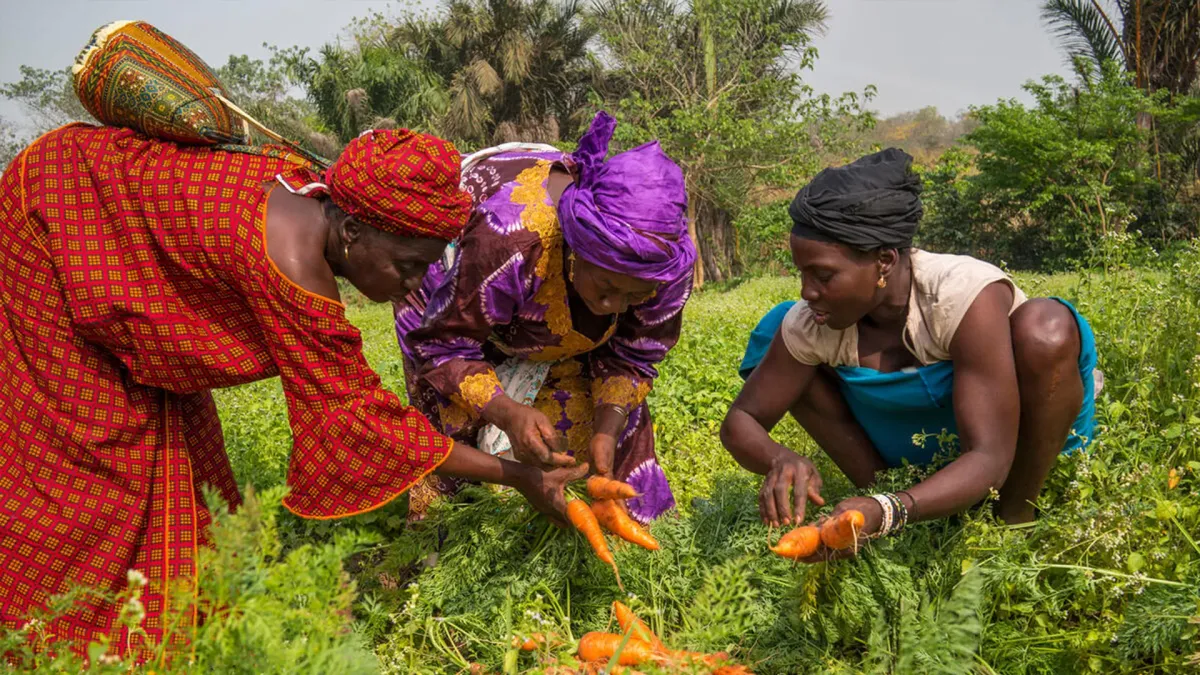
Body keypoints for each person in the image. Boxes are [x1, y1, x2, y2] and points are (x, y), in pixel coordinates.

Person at [0, 123, 589, 652]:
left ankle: (185, 628)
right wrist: (518, 476)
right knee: (94, 461)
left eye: (427, 266)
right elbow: (361, 425)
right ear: (354, 229)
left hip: (97, 208)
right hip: (54, 223)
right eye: (408, 265)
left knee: (190, 461)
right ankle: (51, 640)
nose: (415, 283)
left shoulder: (317, 201)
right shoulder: (290, 265)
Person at [721, 148, 1100, 559]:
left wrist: (889, 511)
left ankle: (1013, 519)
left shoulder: (960, 294)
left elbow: (990, 455)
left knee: (1045, 327)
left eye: (823, 275)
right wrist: (782, 457)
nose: (807, 291)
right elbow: (741, 420)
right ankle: (886, 502)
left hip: (1010, 440)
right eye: (802, 273)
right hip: (914, 441)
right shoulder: (812, 322)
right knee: (777, 328)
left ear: (884, 261)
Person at [395, 111, 695, 523]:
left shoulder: (668, 266)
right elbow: (444, 346)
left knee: (602, 436)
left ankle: (609, 529)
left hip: (532, 300)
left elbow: (633, 356)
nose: (614, 307)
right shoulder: (511, 239)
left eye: (635, 294)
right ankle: (449, 537)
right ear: (575, 249)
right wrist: (506, 411)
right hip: (453, 295)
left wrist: (607, 427)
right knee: (457, 426)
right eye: (605, 287)